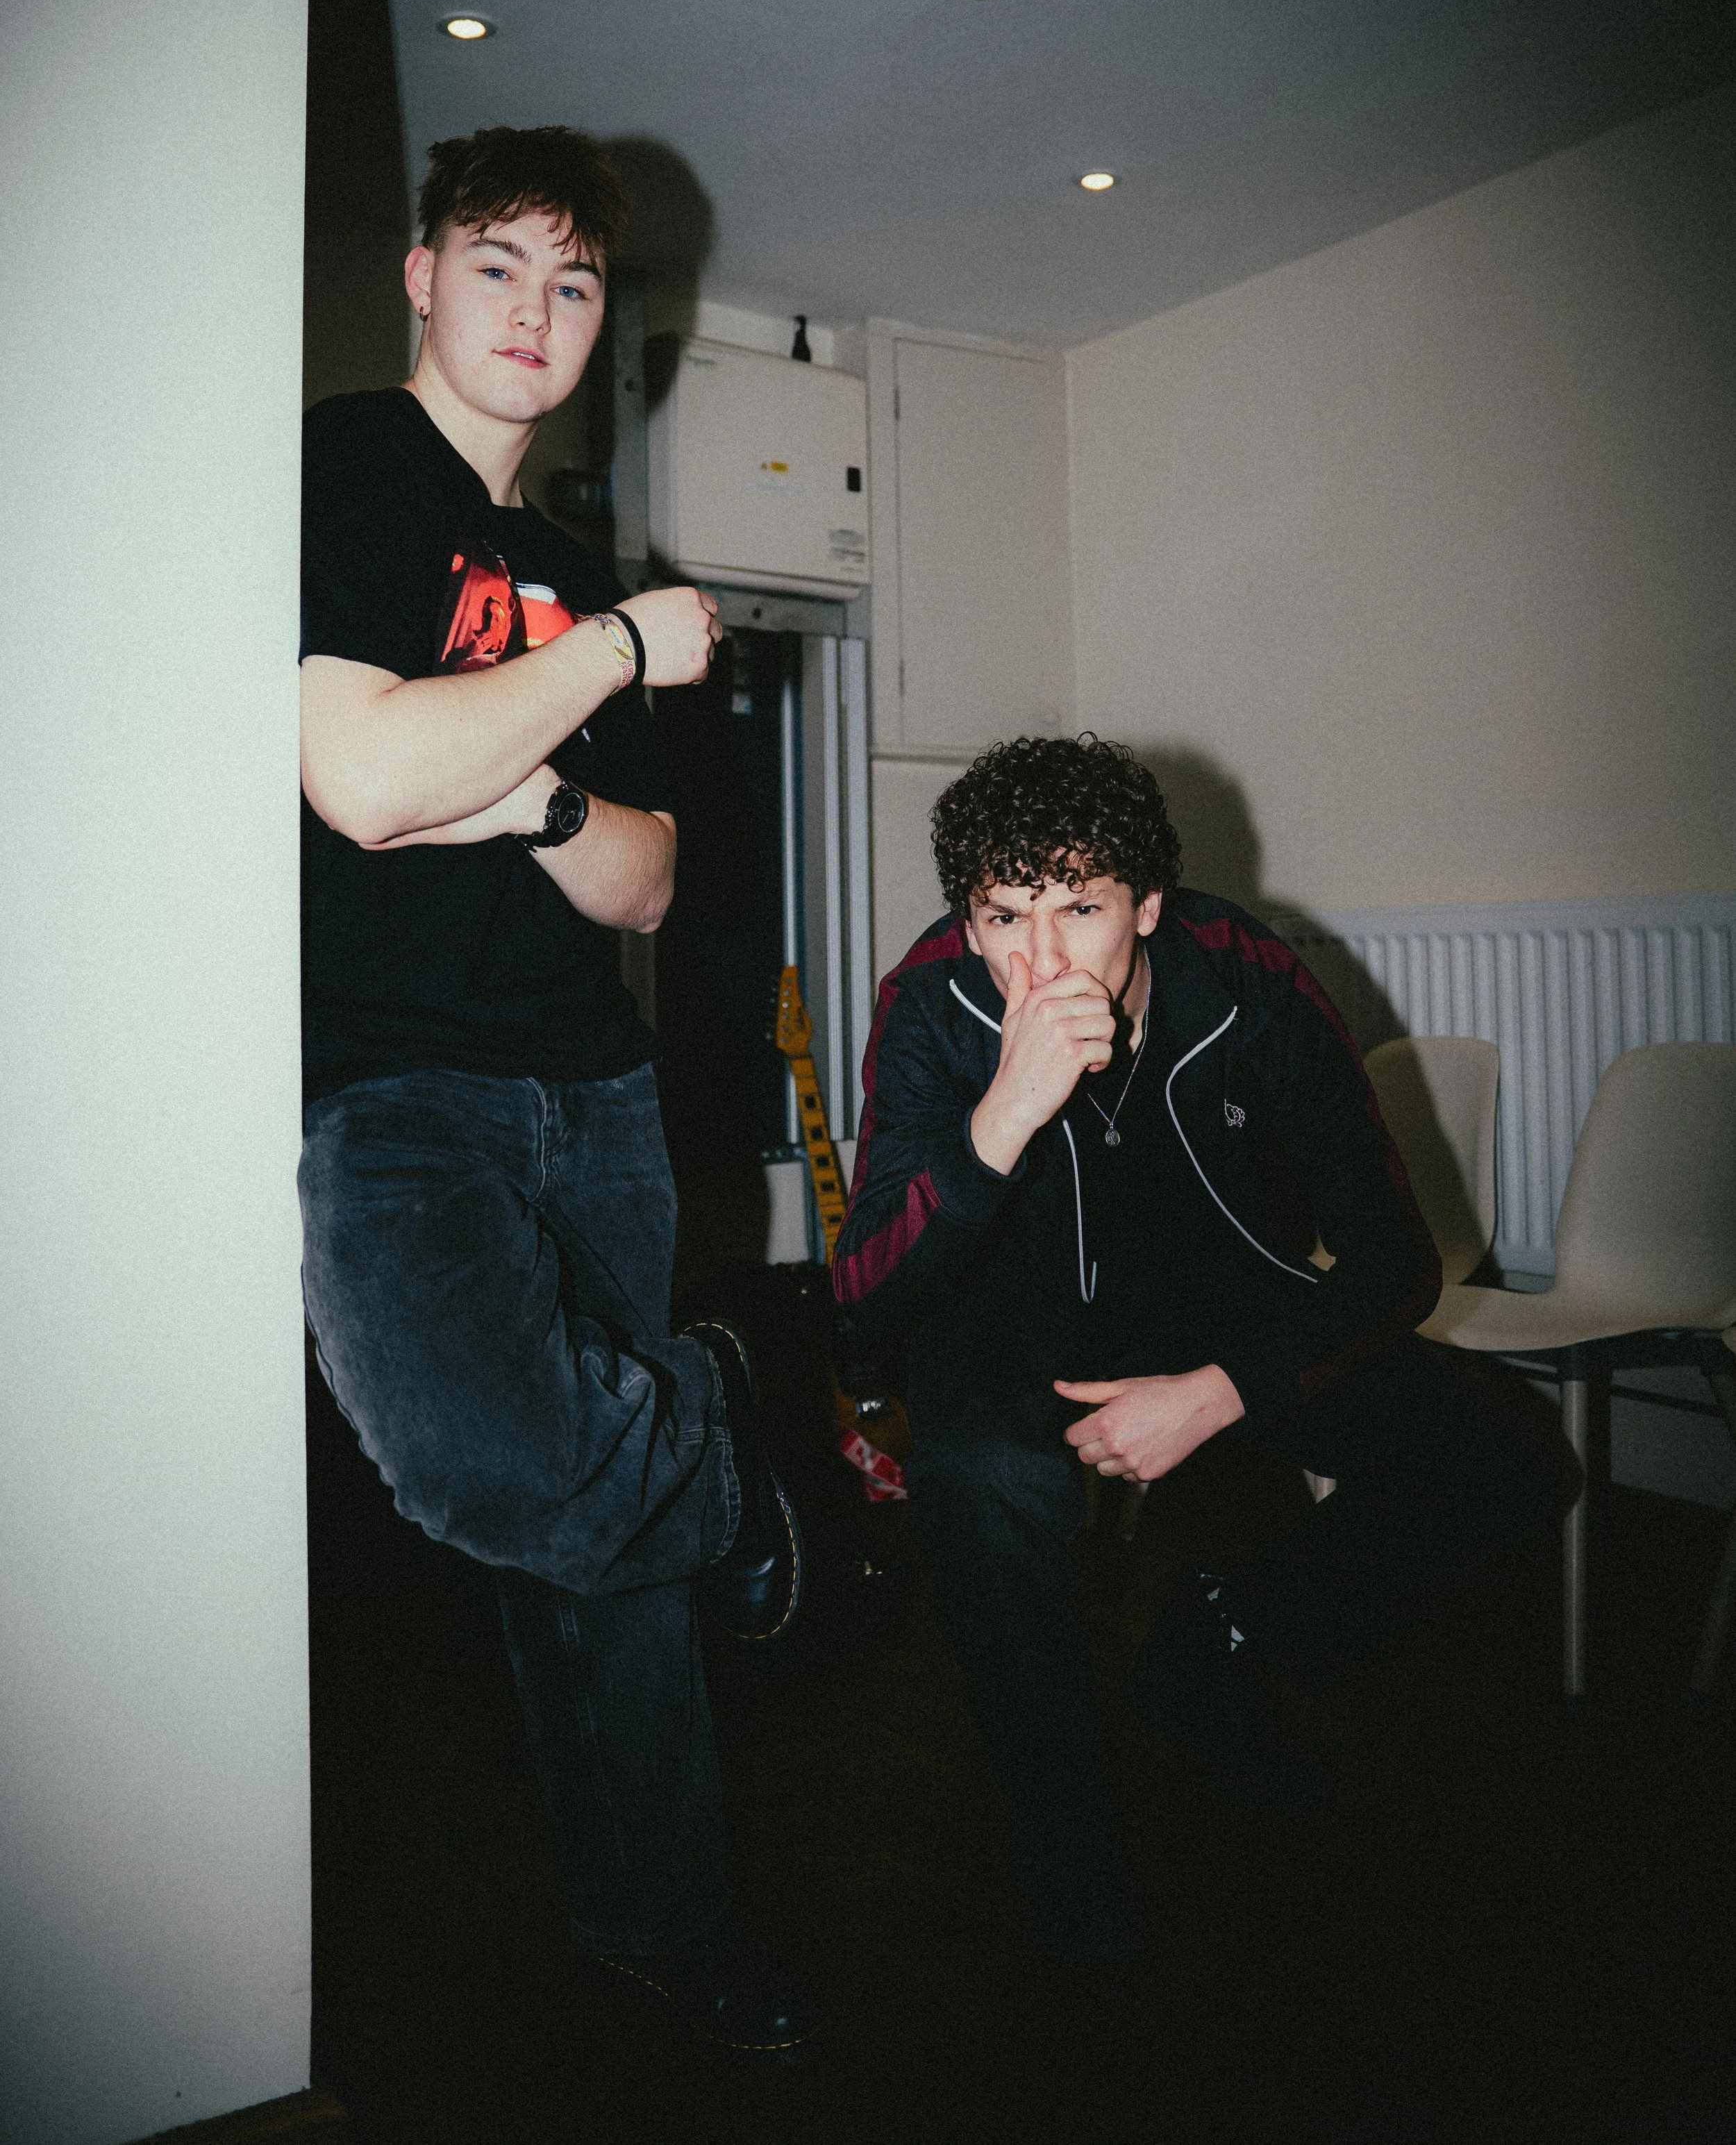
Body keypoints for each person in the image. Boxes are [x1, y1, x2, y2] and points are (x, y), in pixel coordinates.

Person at [299, 123, 812, 2050]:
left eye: (576, 280)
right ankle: (726, 1435)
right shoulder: (349, 466)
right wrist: (603, 655)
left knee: (589, 1567)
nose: (536, 309)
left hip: (589, 1088)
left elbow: (646, 877)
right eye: (498, 264)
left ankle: (663, 1920)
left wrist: (518, 783)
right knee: (486, 1458)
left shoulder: (576, 558)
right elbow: (354, 774)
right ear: (421, 275)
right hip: (395, 1086)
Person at [832, 734, 1555, 1956]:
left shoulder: (1243, 974)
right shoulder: (935, 1002)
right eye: (1004, 914)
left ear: (1149, 906)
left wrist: (1222, 1391)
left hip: (1217, 1317)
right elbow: (859, 1304)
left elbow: (1396, 1259)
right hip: (1007, 1326)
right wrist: (1003, 1110)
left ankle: (1223, 1636)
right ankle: (1067, 1852)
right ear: (967, 916)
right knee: (984, 1476)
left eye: (1081, 907)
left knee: (1512, 1457)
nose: (1042, 959)